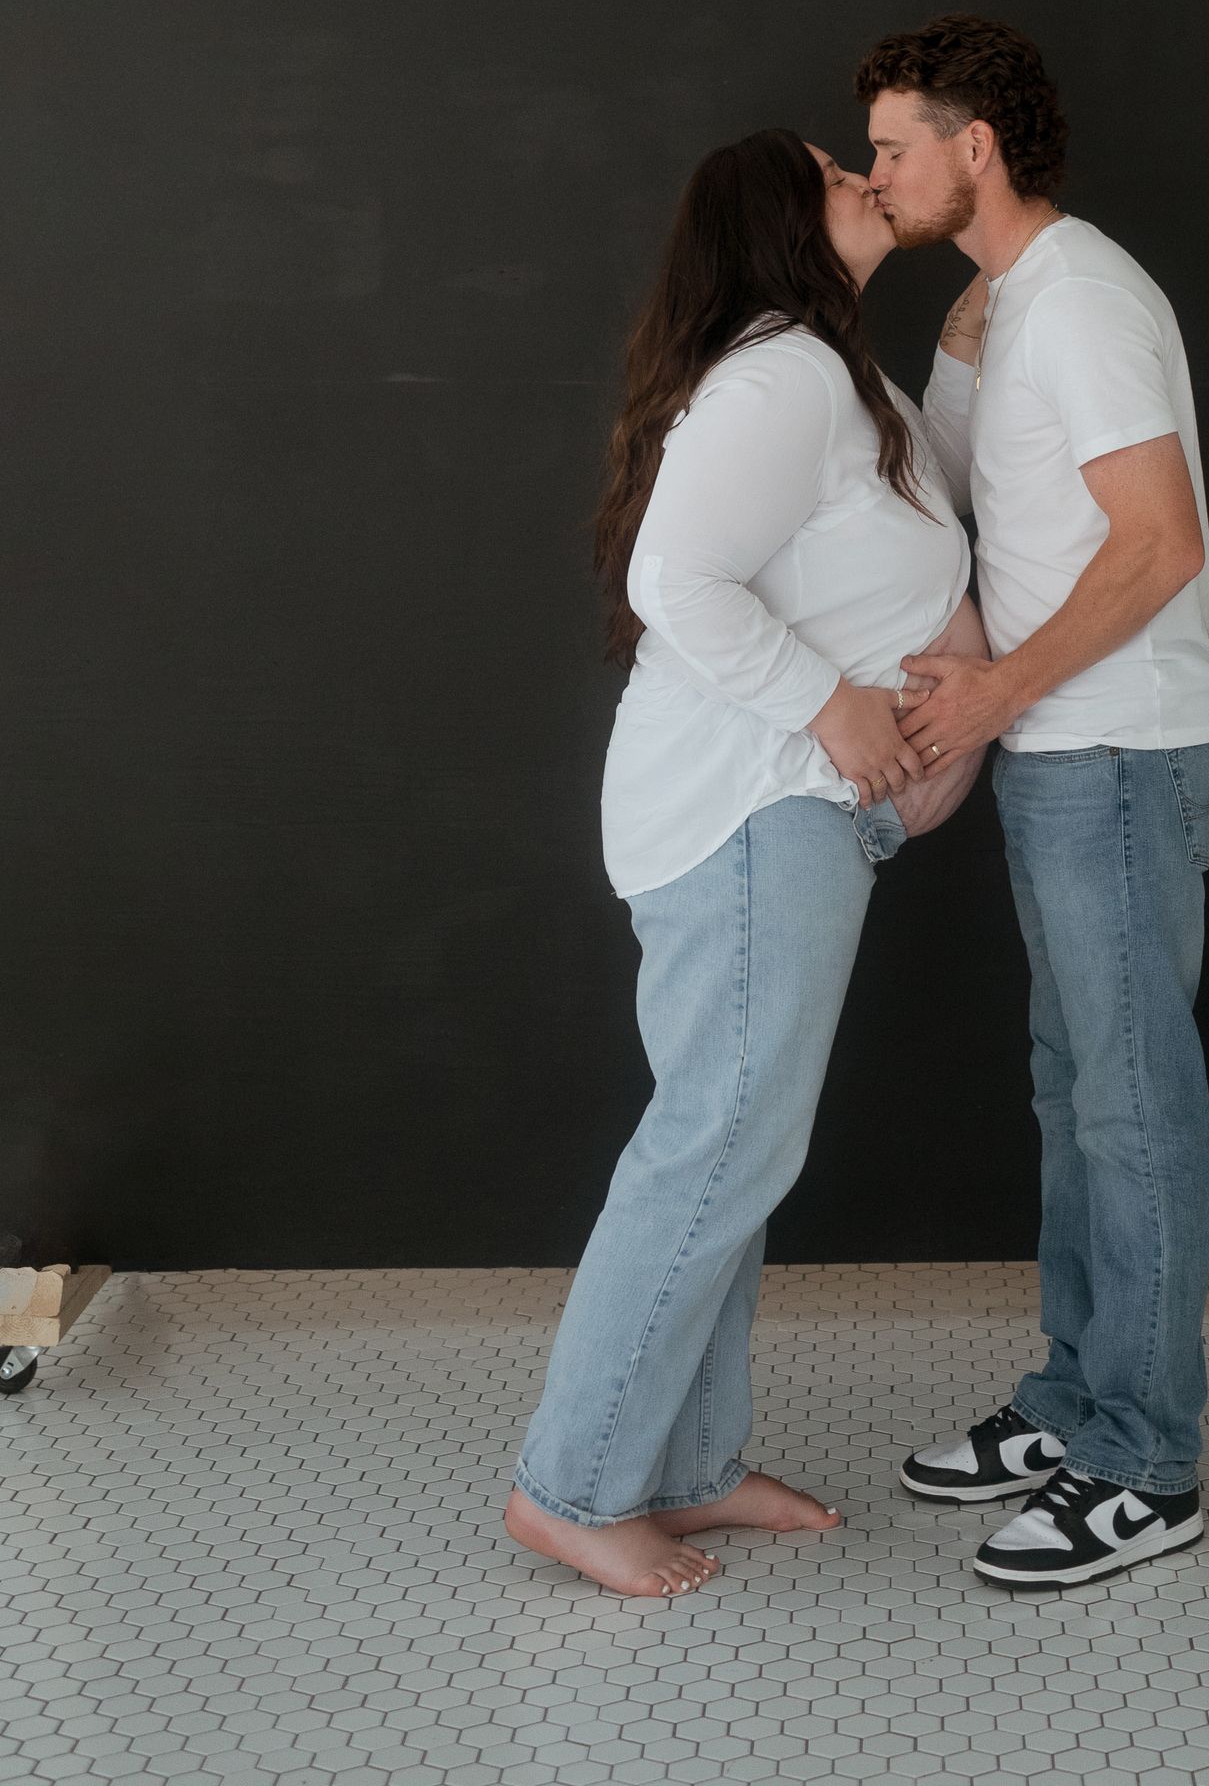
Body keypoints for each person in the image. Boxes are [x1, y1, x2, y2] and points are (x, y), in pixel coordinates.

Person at [504, 129, 989, 1598]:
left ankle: (685, 1468)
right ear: (775, 221)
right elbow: (673, 579)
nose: (859, 173)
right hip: (746, 814)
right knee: (718, 1148)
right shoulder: (781, 370)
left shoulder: (839, 378)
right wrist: (832, 707)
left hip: (780, 819)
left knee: (731, 1150)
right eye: (830, 168)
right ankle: (574, 1487)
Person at [857, 16, 1209, 1589]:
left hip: (1119, 750)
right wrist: (953, 352)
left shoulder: (1077, 300)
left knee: (1132, 1102)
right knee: (1078, 1083)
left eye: (891, 145)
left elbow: (1160, 544)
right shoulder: (1015, 307)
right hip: (1063, 756)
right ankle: (1080, 1400)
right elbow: (985, 509)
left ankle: (1149, 1463)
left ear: (974, 148)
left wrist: (1002, 693)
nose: (877, 173)